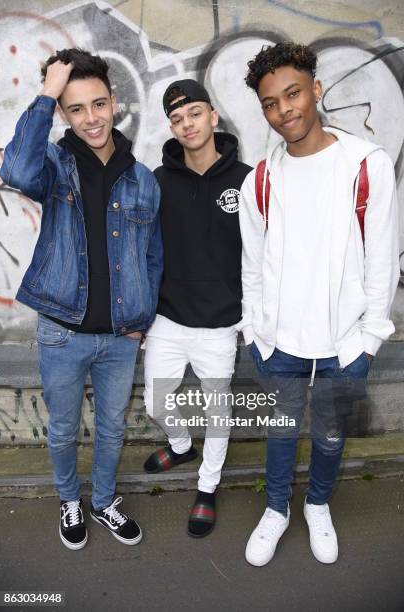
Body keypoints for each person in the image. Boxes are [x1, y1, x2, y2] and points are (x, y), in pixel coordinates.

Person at [239, 42, 399, 565]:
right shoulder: (258, 181)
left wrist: (369, 342)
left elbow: (381, 260)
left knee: (331, 438)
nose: (285, 109)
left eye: (293, 93)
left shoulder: (366, 166)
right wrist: (253, 333)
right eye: (271, 102)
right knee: (281, 433)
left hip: (345, 344)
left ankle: (318, 504)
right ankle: (277, 509)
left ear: (316, 90)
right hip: (278, 342)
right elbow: (253, 266)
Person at [0, 48, 162, 550]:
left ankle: (104, 501)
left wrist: (142, 317)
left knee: (112, 430)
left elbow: (152, 256)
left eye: (98, 104)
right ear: (64, 114)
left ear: (114, 103)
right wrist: (47, 92)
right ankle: (70, 499)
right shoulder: (53, 162)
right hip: (62, 330)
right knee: (65, 428)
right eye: (75, 108)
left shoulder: (142, 178)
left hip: (119, 336)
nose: (90, 118)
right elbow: (17, 172)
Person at [143, 79, 251, 537]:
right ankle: (181, 445)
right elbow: (144, 250)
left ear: (213, 117)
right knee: (155, 403)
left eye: (194, 114)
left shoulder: (246, 180)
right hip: (168, 317)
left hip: (220, 323)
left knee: (217, 413)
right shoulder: (158, 180)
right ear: (171, 126)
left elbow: (262, 254)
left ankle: (207, 487)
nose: (186, 124)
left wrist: (251, 316)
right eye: (176, 118)